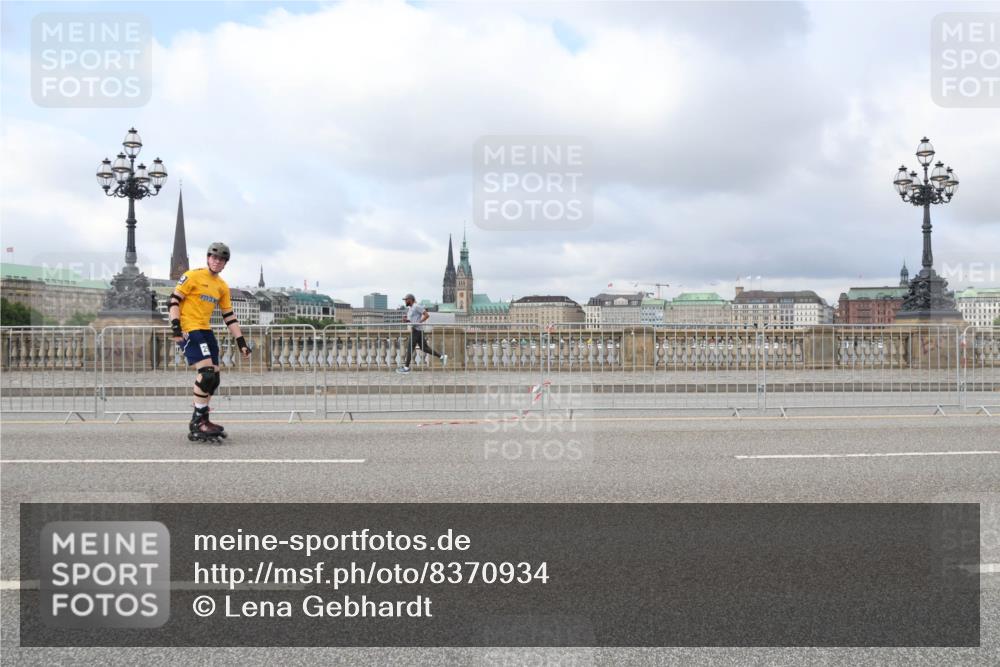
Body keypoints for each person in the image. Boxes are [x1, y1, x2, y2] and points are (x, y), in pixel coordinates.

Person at [168, 242, 251, 441]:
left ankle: (203, 419)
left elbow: (229, 316)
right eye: (214, 257)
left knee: (214, 378)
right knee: (205, 374)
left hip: (206, 330)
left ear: (225, 264)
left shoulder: (222, 286)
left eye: (221, 259)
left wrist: (241, 342)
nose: (217, 261)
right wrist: (176, 327)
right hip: (190, 328)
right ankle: (197, 422)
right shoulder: (192, 276)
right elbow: (173, 301)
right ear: (208, 258)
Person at [397, 293, 447, 373]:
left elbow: (426, 315)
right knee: (425, 348)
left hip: (416, 330)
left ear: (410, 300)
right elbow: (413, 320)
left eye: (406, 300)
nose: (405, 301)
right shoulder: (411, 308)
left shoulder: (416, 306)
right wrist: (407, 320)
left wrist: (419, 322)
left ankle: (406, 368)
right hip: (417, 330)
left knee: (410, 348)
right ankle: (442, 356)